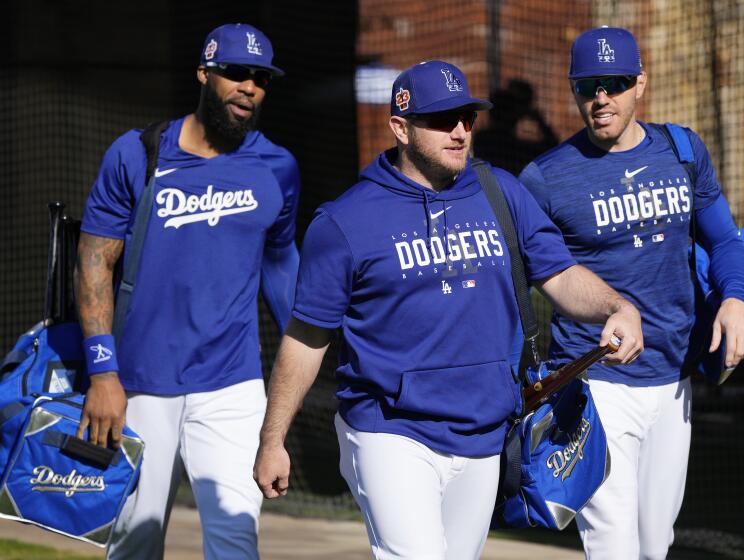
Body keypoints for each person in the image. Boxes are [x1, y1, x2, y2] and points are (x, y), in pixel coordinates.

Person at [253, 59, 643, 560]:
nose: (459, 131)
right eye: (441, 120)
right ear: (400, 128)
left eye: (467, 118)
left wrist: (618, 306)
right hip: (390, 430)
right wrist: (273, 439)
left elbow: (561, 276)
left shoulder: (501, 192)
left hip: (484, 431)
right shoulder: (344, 222)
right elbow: (307, 340)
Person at [519, 26, 744, 560]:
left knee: (657, 543)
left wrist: (736, 298)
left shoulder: (682, 149)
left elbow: (724, 240)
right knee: (613, 543)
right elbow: (520, 281)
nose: (601, 97)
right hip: (595, 382)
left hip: (673, 376)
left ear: (639, 84)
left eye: (616, 82)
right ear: (574, 89)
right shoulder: (544, 177)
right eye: (588, 85)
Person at [76, 23, 300, 560]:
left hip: (232, 386)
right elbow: (93, 264)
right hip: (139, 384)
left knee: (235, 544)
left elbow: (280, 265)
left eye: (261, 79)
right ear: (205, 74)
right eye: (236, 74)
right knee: (135, 542)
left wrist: (310, 352)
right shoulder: (137, 154)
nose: (249, 87)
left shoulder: (278, 168)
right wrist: (103, 372)